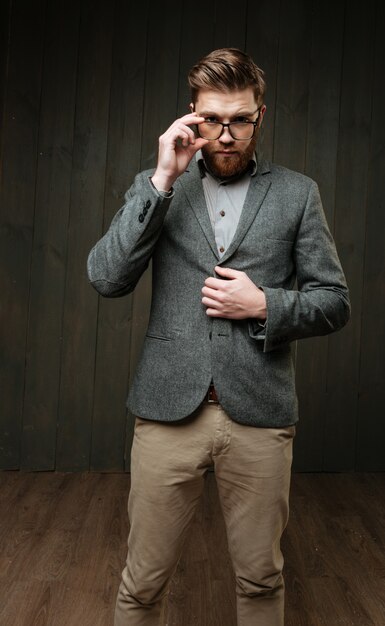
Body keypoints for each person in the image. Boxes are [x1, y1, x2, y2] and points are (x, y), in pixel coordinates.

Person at [87, 48, 350, 626]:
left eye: (240, 120)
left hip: (259, 411)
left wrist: (265, 305)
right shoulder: (159, 186)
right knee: (141, 584)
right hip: (166, 412)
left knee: (261, 580)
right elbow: (106, 277)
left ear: (261, 116)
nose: (226, 135)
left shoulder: (297, 194)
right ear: (192, 117)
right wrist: (161, 180)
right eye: (212, 120)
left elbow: (335, 302)